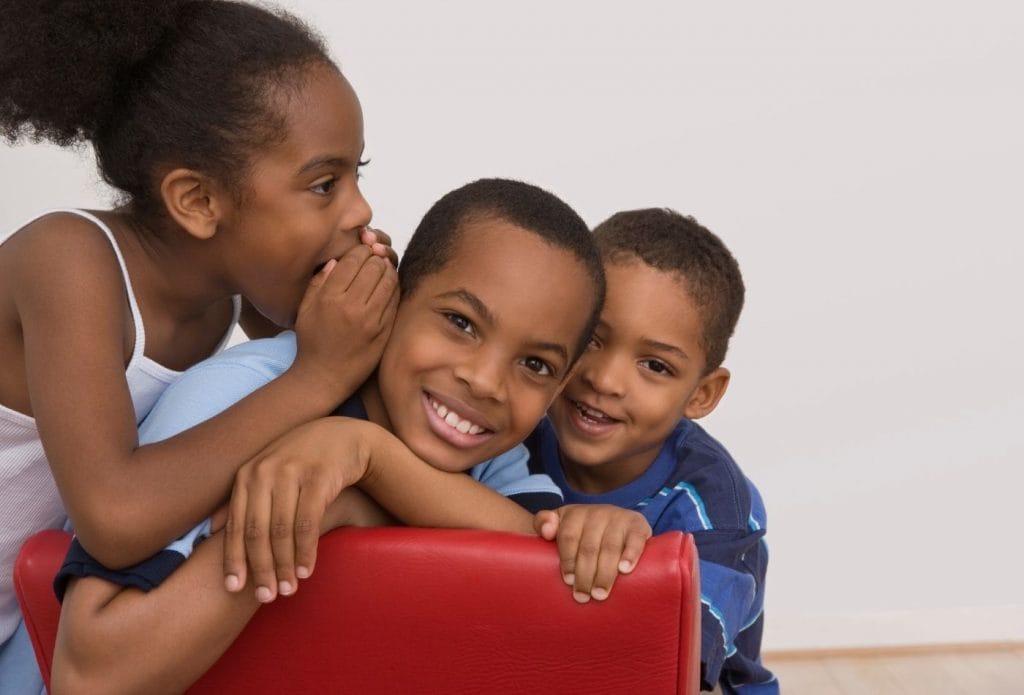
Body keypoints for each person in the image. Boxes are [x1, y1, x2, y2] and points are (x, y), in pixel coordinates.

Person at [52, 178, 653, 693]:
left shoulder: (495, 460)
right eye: (460, 322)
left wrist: (361, 467)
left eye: (536, 366)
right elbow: (89, 674)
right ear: (393, 300)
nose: (487, 381)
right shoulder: (237, 394)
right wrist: (329, 515)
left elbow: (535, 570)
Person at [0, 1, 401, 689]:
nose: (360, 209)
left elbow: (343, 381)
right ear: (197, 202)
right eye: (325, 184)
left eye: (357, 176)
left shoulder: (233, 288)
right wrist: (315, 373)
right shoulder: (69, 262)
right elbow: (114, 517)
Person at [527, 208, 778, 693]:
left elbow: (673, 665)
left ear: (702, 394)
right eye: (592, 339)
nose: (604, 379)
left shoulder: (717, 510)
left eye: (655, 366)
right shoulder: (511, 431)